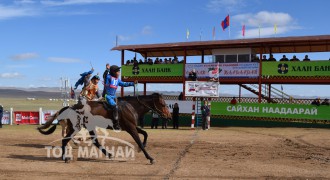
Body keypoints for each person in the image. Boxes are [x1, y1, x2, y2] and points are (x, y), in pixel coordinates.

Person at [105, 65, 135, 130]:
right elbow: (105, 76)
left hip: (114, 97)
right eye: (118, 72)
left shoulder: (118, 80)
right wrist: (107, 70)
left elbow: (124, 84)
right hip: (108, 96)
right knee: (115, 107)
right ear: (113, 72)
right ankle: (115, 123)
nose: (119, 73)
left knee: (120, 107)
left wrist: (132, 83)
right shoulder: (108, 77)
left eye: (119, 72)